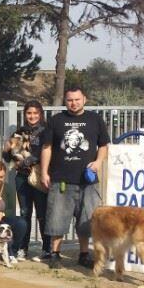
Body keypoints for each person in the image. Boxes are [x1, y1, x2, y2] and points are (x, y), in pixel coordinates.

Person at [40, 88, 109, 270]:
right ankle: (55, 254)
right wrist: (44, 172)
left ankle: (84, 254)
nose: (74, 103)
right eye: (70, 100)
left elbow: (103, 146)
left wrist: (98, 162)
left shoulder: (95, 119)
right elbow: (47, 147)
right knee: (57, 219)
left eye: (77, 99)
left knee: (86, 220)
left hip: (88, 181)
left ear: (84, 99)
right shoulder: (56, 120)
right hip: (61, 179)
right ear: (65, 101)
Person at [2, 100, 51, 262]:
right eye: (29, 113)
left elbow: (43, 154)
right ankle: (23, 248)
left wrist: (24, 162)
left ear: (41, 114)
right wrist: (7, 149)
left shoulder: (46, 131)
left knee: (42, 214)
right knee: (24, 213)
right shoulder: (19, 132)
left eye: (35, 113)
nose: (32, 116)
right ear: (24, 115)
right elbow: (8, 157)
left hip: (39, 176)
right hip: (22, 178)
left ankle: (47, 249)